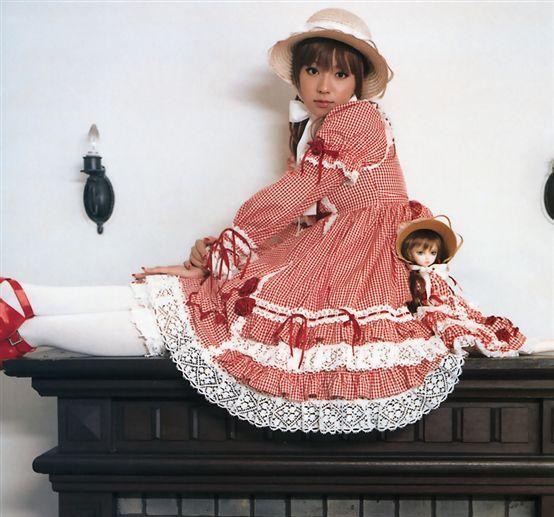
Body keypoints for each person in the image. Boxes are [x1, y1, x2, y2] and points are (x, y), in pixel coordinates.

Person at [0, 9, 547, 433]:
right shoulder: (315, 131)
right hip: (324, 248)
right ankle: (24, 299)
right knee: (178, 299)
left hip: (360, 263)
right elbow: (299, 214)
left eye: (340, 74)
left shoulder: (359, 120)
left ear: (358, 82)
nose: (325, 85)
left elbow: (294, 197)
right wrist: (224, 254)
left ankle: (25, 324)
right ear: (299, 77)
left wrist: (231, 248)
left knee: (185, 319)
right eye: (313, 70)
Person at [396, 216, 554, 356]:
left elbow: (449, 297)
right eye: (421, 253)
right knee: (465, 335)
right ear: (410, 253)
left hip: (454, 312)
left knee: (489, 332)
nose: (427, 258)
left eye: (433, 253)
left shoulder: (437, 273)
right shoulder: (416, 277)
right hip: (439, 316)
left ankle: (537, 346)